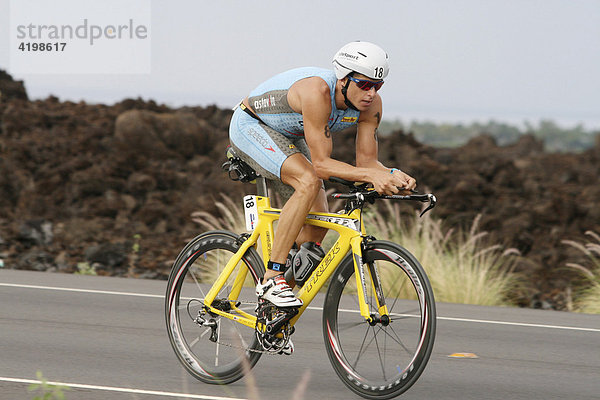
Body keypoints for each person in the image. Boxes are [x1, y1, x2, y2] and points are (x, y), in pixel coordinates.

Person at [229, 41, 417, 310]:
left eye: (378, 85)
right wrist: (372, 176)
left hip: (289, 137)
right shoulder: (318, 92)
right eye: (364, 84)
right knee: (308, 181)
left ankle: (272, 314)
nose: (371, 93)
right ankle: (272, 278)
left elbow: (367, 162)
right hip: (251, 125)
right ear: (344, 78)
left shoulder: (372, 105)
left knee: (317, 224)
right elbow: (321, 165)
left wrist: (393, 174)